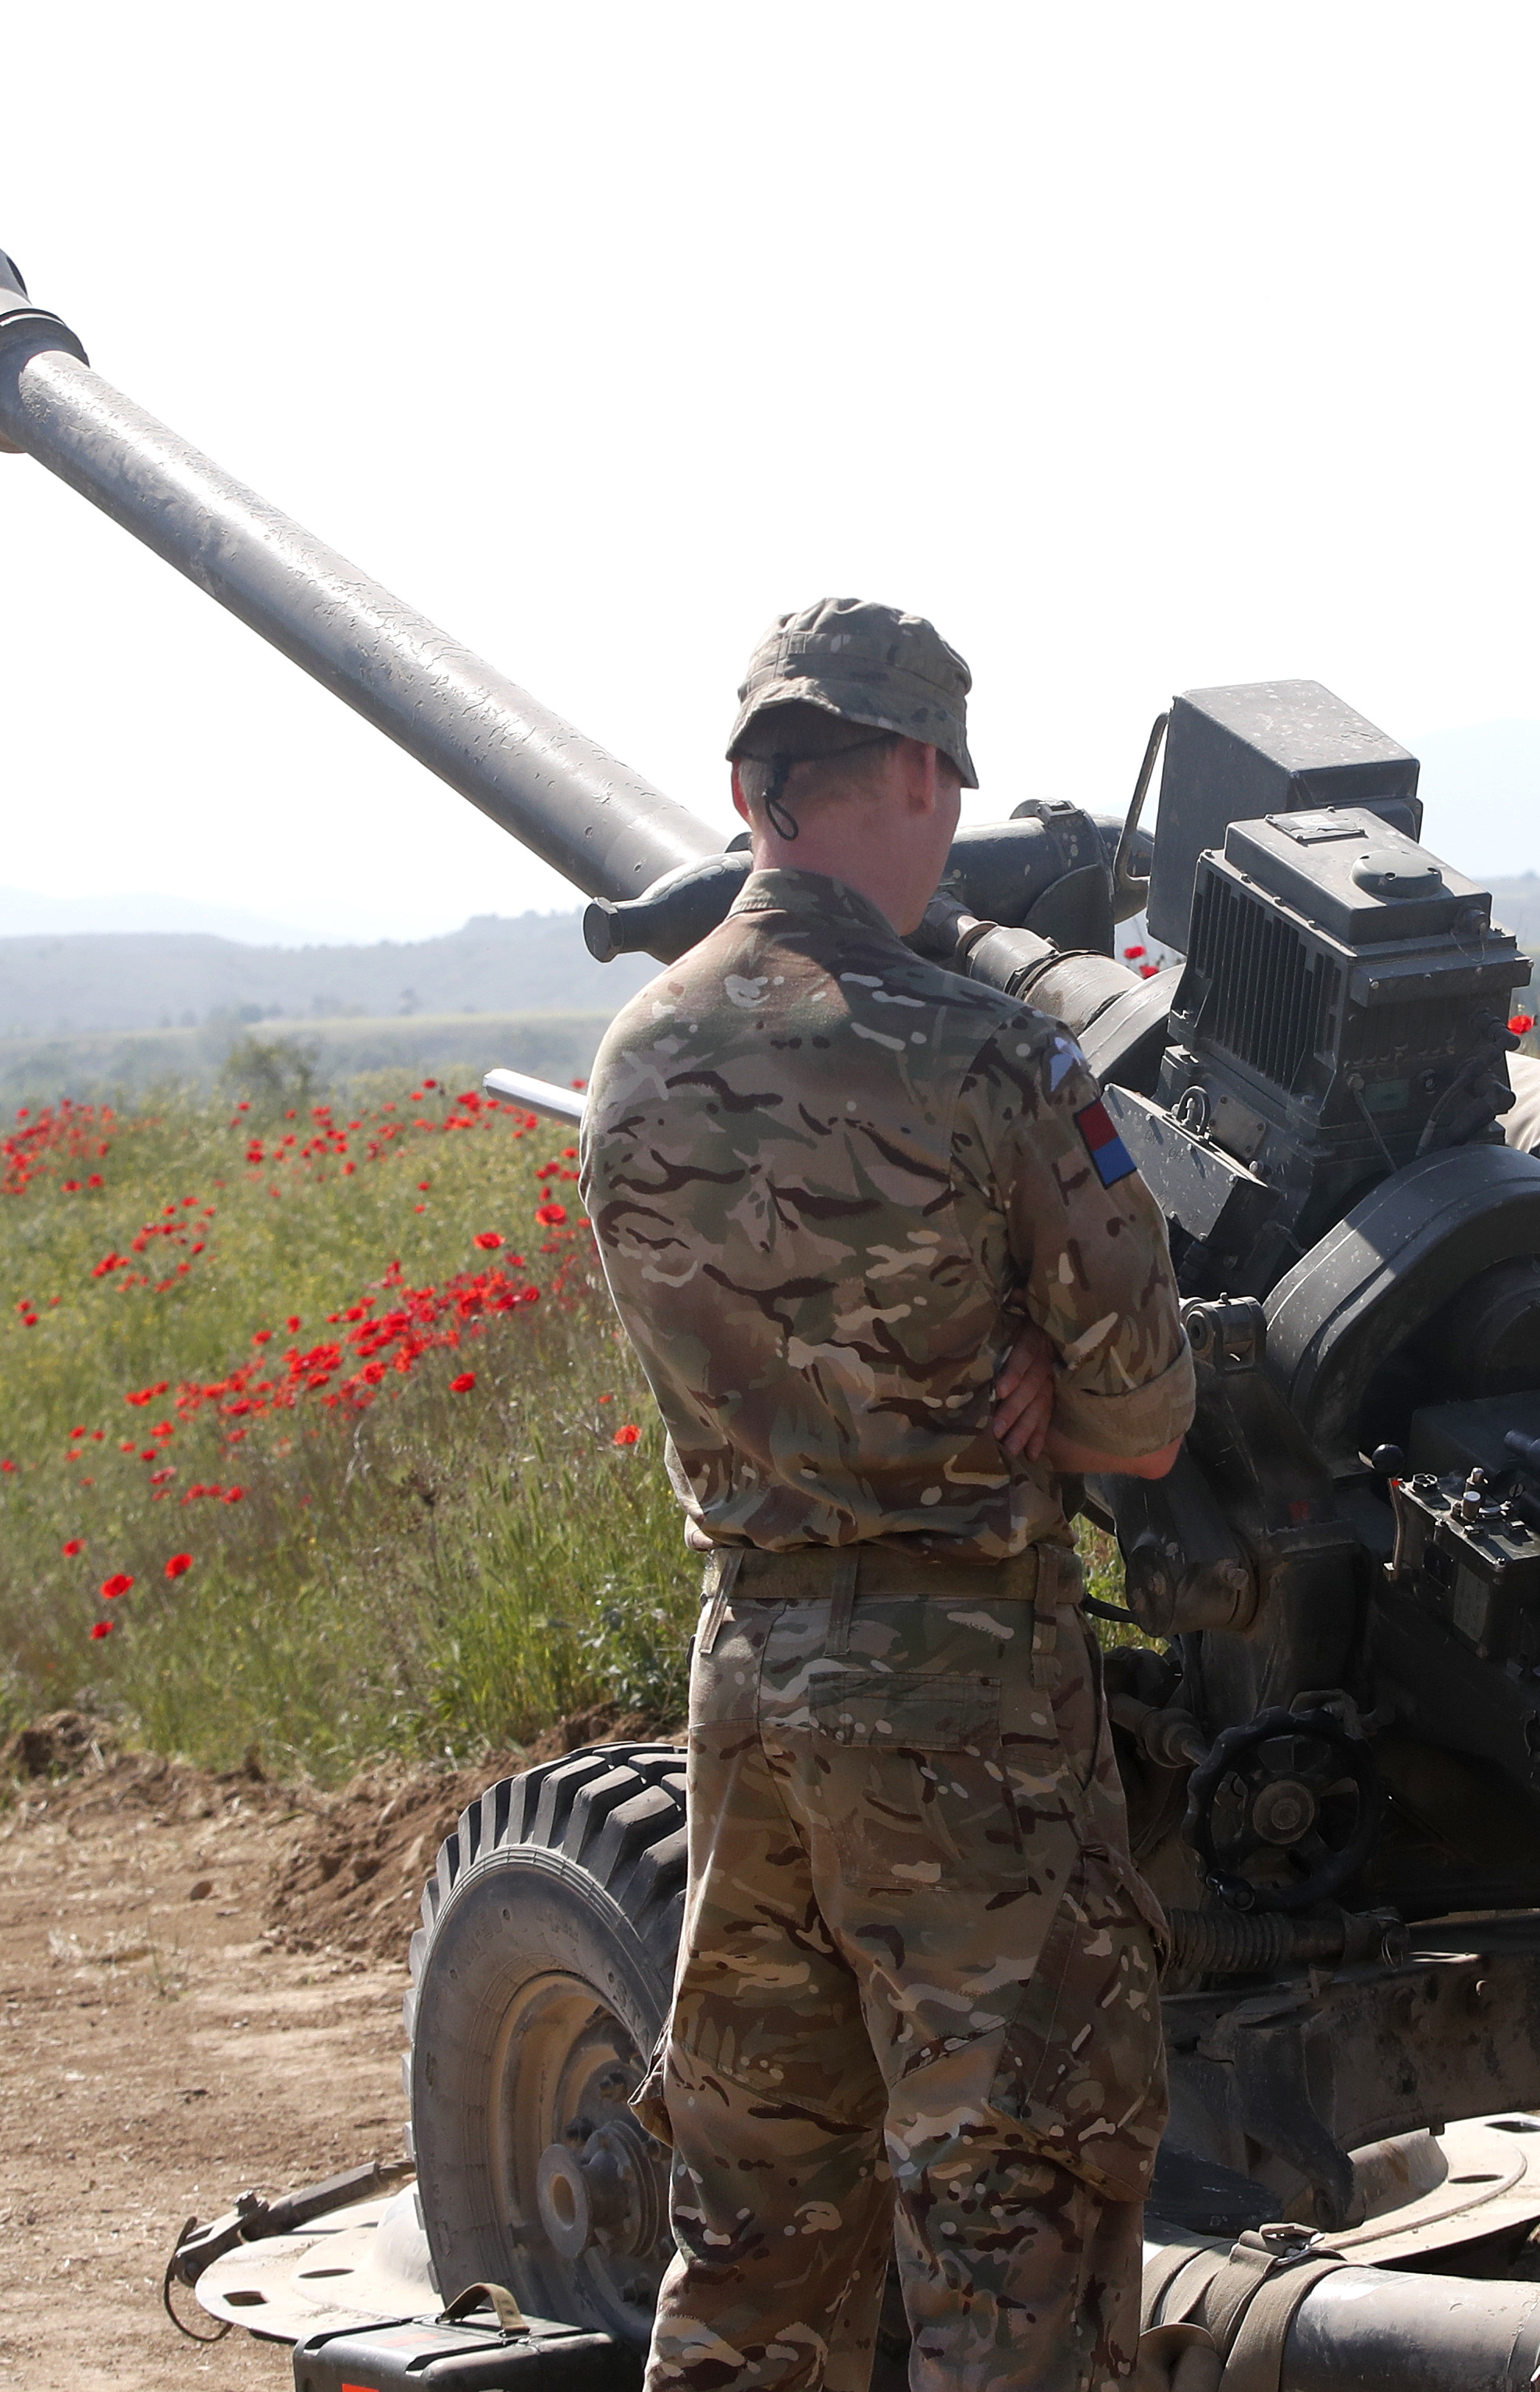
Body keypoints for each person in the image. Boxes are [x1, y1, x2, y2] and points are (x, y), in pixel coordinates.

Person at [581, 597, 1196, 2392]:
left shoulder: (637, 1057)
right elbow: (1147, 1413)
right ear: (922, 773)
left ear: (760, 790)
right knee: (1008, 2216)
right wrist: (1039, 1401)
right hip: (963, 1711)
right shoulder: (990, 1053)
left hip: (751, 1682)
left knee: (756, 2225)